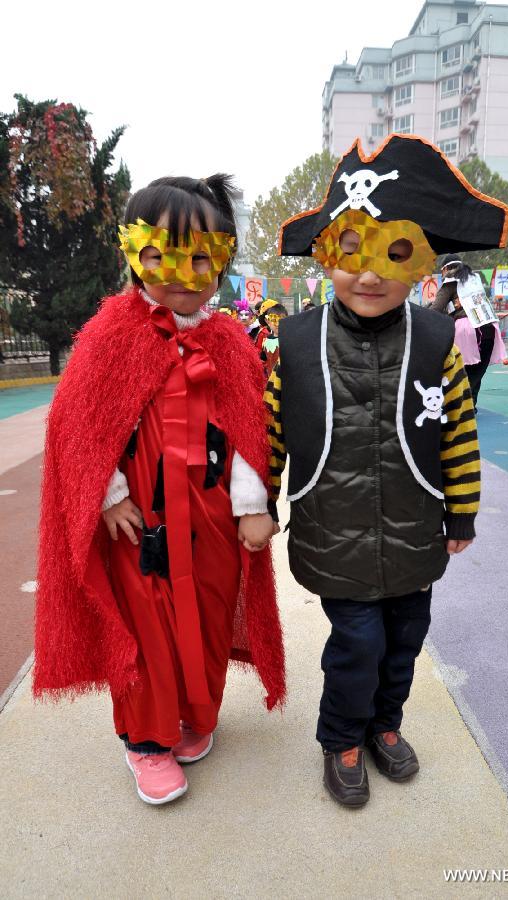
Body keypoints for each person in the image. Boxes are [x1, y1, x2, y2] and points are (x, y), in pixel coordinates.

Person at [266, 134, 508, 807]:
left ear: (420, 262)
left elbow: (458, 432)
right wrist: (256, 502)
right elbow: (271, 430)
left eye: (393, 253)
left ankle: (384, 725)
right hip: (332, 531)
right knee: (358, 645)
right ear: (325, 255)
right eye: (351, 251)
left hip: (411, 533)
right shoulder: (295, 340)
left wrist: (458, 511)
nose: (368, 274)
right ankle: (341, 736)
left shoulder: (436, 342)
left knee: (404, 640)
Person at [34, 175, 285, 806]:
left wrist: (253, 505)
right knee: (146, 623)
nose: (180, 271)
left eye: (198, 255)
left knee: (204, 613)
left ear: (220, 258)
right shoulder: (110, 335)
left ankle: (196, 713)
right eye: (160, 253)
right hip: (141, 520)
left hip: (213, 516)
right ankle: (146, 740)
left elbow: (249, 423)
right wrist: (109, 493)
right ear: (134, 252)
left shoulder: (229, 339)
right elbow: (83, 425)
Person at [431, 254, 507, 410]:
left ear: (445, 269)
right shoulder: (475, 279)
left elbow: (436, 309)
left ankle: (460, 404)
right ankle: (471, 403)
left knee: (460, 369)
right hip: (489, 327)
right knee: (478, 368)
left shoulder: (450, 282)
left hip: (466, 329)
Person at [256, 300, 288, 377]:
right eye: (274, 320)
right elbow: (263, 359)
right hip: (270, 379)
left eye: (281, 320)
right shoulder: (266, 340)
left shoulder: (289, 339)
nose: (277, 324)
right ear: (267, 321)